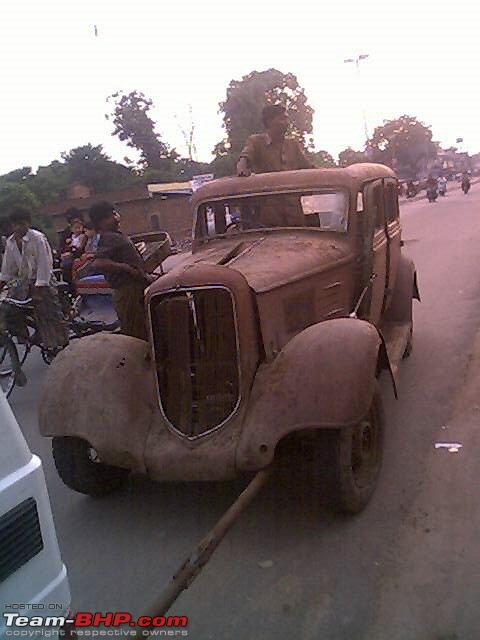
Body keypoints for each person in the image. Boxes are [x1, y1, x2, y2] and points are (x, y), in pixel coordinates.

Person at [0, 208, 69, 353]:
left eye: (22, 224)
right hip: (22, 281)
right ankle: (24, 336)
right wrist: (3, 285)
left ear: (29, 223)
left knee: (48, 312)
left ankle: (61, 344)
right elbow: (7, 270)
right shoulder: (10, 242)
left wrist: (38, 291)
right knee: (7, 308)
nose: (19, 228)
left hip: (42, 280)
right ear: (11, 226)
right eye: (15, 225)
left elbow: (44, 266)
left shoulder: (37, 238)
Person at [88, 201, 154, 341]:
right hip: (127, 291)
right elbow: (99, 262)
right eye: (112, 216)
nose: (117, 217)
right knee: (137, 335)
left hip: (134, 289)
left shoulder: (113, 236)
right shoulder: (109, 237)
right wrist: (128, 268)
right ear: (101, 222)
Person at [236, 104, 314, 176]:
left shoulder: (293, 144)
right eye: (282, 119)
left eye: (286, 119)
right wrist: (242, 170)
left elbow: (308, 167)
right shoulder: (256, 142)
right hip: (268, 189)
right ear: (269, 121)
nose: (287, 123)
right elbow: (245, 158)